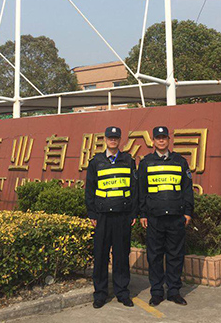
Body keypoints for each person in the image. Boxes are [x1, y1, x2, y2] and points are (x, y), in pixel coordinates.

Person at [138, 125, 194, 306]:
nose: (161, 140)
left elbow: (187, 189)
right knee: (154, 256)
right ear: (153, 141)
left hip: (176, 217)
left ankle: (174, 291)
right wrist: (142, 214)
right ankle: (156, 292)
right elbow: (141, 191)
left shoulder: (180, 162)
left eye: (164, 137)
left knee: (175, 255)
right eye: (158, 138)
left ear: (169, 140)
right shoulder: (146, 163)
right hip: (154, 217)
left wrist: (187, 212)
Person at [85, 126, 137, 309]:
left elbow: (134, 189)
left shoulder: (128, 161)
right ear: (105, 140)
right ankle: (100, 294)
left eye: (116, 138)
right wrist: (92, 213)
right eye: (110, 138)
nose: (113, 140)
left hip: (122, 215)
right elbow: (90, 189)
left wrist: (133, 213)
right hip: (102, 216)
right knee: (100, 255)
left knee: (121, 255)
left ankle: (122, 292)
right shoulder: (96, 162)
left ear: (120, 140)